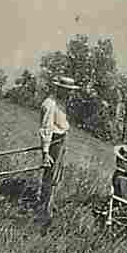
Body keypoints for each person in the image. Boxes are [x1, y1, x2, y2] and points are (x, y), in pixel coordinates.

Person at [37, 75, 80, 228]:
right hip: (54, 143)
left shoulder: (62, 103)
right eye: (67, 90)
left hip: (61, 141)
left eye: (70, 91)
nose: (69, 93)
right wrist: (45, 152)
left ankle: (49, 205)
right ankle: (43, 212)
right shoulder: (50, 104)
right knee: (50, 177)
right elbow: (46, 129)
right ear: (59, 88)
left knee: (56, 177)